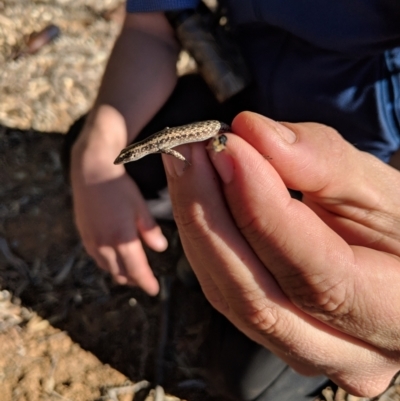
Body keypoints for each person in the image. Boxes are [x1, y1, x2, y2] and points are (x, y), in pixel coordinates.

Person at [67, 1, 400, 399]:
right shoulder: (157, 146)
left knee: (249, 386)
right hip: (237, 99)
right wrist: (97, 154)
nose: (126, 155)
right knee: (83, 144)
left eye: (129, 152)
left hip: (357, 159)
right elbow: (151, 25)